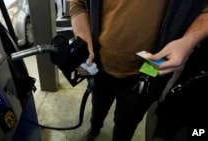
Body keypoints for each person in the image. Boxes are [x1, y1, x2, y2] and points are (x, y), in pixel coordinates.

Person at [69, 0, 208, 141]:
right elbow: (79, 4)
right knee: (98, 105)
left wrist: (188, 40)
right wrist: (84, 42)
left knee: (126, 123)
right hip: (99, 66)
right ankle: (94, 129)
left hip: (149, 71)